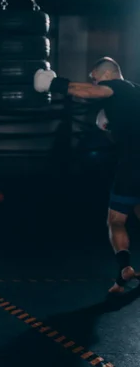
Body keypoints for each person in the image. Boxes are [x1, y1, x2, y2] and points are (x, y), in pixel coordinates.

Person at [35, 57, 140, 294]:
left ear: (106, 73)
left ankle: (124, 268)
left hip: (133, 163)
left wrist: (54, 84)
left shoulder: (116, 86)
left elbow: (90, 92)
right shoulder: (135, 92)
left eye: (94, 75)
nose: (92, 79)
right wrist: (111, 127)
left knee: (116, 220)